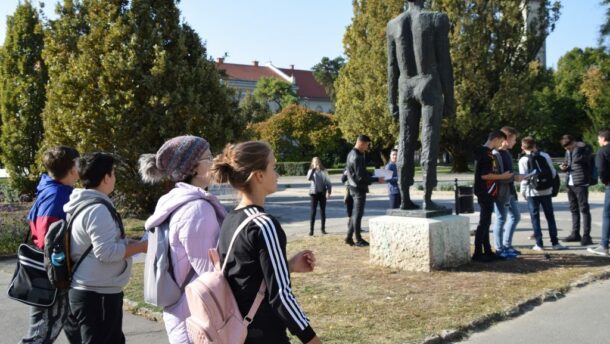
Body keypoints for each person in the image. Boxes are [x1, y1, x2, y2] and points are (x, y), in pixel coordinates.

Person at [210, 141, 321, 344]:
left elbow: (244, 278)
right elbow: (281, 296)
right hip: (265, 336)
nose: (277, 174)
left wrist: (287, 266)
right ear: (259, 175)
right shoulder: (264, 224)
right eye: (273, 167)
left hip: (238, 334)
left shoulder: (230, 220)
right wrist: (312, 340)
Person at [139, 135, 227, 343]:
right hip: (196, 318)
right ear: (194, 168)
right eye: (209, 156)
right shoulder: (197, 209)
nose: (214, 161)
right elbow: (210, 271)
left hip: (181, 311)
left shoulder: (172, 201)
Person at [65, 153, 147, 343]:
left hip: (93, 291)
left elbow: (97, 245)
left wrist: (130, 244)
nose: (115, 178)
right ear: (106, 178)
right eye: (114, 173)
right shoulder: (97, 209)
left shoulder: (84, 204)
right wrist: (142, 246)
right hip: (97, 294)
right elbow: (106, 252)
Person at [387, 0, 455, 210]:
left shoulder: (393, 24)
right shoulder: (436, 18)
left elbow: (392, 67)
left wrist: (392, 100)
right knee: (429, 139)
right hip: (428, 82)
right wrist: (450, 99)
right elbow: (444, 63)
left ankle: (405, 198)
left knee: (405, 141)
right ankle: (426, 196)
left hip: (405, 86)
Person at [21, 146, 81, 344]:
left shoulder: (52, 190)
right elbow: (50, 240)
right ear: (73, 168)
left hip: (57, 276)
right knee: (39, 335)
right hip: (54, 278)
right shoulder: (57, 196)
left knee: (80, 332)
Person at [519, 138, 567, 251]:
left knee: (535, 217)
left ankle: (539, 243)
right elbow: (553, 172)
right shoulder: (545, 156)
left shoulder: (523, 160)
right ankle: (555, 242)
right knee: (550, 216)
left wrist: (523, 192)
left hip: (533, 191)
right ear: (535, 145)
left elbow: (524, 177)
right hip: (546, 190)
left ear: (522, 147)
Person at [472, 130, 513, 262]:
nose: (501, 144)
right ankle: (478, 253)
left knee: (487, 221)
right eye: (501, 141)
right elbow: (484, 175)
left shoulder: (487, 153)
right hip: (484, 190)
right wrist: (503, 176)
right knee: (484, 222)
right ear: (496, 139)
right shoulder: (484, 153)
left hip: (489, 191)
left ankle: (487, 251)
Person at [345, 135, 384, 247]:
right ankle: (358, 239)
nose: (367, 147)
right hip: (358, 188)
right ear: (361, 143)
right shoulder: (357, 156)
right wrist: (376, 179)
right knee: (358, 214)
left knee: (355, 214)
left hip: (354, 187)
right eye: (367, 145)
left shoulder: (352, 154)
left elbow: (361, 172)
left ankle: (348, 237)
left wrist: (373, 174)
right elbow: (361, 177)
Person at [492, 127, 522, 258]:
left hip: (509, 191)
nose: (515, 142)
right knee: (500, 219)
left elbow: (508, 172)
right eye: (514, 139)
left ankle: (507, 245)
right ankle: (499, 248)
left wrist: (517, 176)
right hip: (501, 192)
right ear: (506, 139)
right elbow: (498, 175)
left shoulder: (507, 153)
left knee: (515, 216)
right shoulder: (496, 154)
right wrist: (514, 177)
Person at [559, 134, 594, 246]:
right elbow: (569, 164)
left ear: (574, 143)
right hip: (570, 182)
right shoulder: (568, 151)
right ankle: (575, 233)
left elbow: (579, 159)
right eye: (566, 149)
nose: (568, 150)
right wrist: (564, 167)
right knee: (573, 209)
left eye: (569, 147)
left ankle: (587, 236)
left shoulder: (584, 149)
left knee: (584, 209)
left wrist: (579, 148)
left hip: (581, 182)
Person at [588, 128, 610, 256]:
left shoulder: (602, 151)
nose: (597, 140)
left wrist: (605, 180)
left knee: (607, 216)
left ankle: (604, 245)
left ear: (603, 138)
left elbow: (601, 169)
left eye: (598, 138)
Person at [306, 157, 332, 236]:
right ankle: (311, 230)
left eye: (317, 161)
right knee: (313, 212)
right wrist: (313, 169)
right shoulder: (311, 171)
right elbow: (308, 178)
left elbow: (328, 181)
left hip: (322, 193)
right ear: (312, 163)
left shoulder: (324, 171)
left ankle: (323, 229)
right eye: (314, 162)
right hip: (314, 193)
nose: (316, 163)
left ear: (319, 162)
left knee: (322, 211)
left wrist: (329, 191)